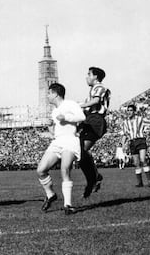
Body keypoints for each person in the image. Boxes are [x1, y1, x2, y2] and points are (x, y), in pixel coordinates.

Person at [37, 83, 86, 215]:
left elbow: (82, 117)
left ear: (55, 94)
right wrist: (50, 127)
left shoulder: (70, 104)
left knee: (65, 169)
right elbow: (56, 130)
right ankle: (51, 194)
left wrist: (66, 117)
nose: (47, 96)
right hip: (58, 141)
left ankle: (68, 205)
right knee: (41, 170)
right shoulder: (54, 111)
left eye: (49, 93)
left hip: (70, 141)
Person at [79, 67, 110, 198]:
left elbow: (96, 101)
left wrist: (79, 105)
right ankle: (94, 178)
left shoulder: (99, 88)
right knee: (79, 153)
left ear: (95, 77)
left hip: (96, 121)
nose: (87, 77)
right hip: (89, 120)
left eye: (89, 74)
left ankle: (94, 178)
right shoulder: (91, 91)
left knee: (81, 151)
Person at [121, 104, 150, 187]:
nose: (129, 112)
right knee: (136, 163)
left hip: (140, 140)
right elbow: (125, 135)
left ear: (134, 111)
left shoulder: (140, 119)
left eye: (131, 110)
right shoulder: (125, 122)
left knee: (143, 160)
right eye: (128, 110)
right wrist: (123, 144)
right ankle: (139, 182)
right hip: (132, 142)